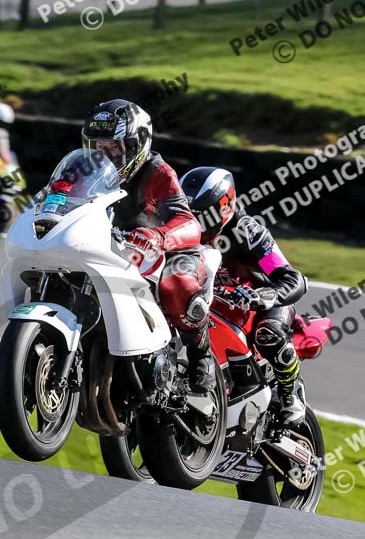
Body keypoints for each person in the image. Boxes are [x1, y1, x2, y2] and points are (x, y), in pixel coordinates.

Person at [81, 99, 215, 393]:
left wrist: (158, 236)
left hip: (163, 253)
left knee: (176, 284)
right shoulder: (87, 173)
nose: (105, 156)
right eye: (99, 147)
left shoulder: (158, 173)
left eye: (114, 147)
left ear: (137, 143)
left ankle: (200, 353)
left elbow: (188, 222)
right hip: (111, 251)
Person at [180, 166, 308, 425]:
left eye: (201, 214)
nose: (193, 222)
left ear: (224, 207)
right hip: (210, 304)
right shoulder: (180, 232)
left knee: (268, 334)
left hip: (260, 304)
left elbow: (293, 279)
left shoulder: (248, 233)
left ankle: (291, 391)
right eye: (188, 212)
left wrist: (265, 296)